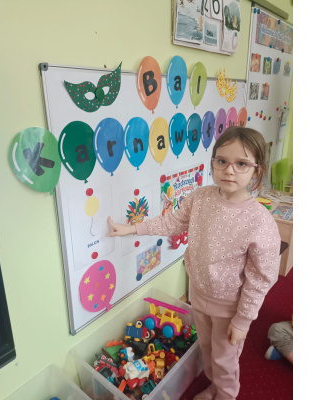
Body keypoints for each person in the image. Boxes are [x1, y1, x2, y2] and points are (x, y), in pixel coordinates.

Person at [108, 127, 281, 400]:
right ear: (213, 161)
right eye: (222, 161)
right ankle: (214, 388)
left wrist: (243, 320)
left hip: (230, 307)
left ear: (257, 170)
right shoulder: (201, 197)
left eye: (241, 164)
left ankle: (225, 394)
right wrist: (133, 229)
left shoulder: (260, 221)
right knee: (207, 350)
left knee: (225, 360)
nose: (229, 170)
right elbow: (172, 222)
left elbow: (260, 278)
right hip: (199, 295)